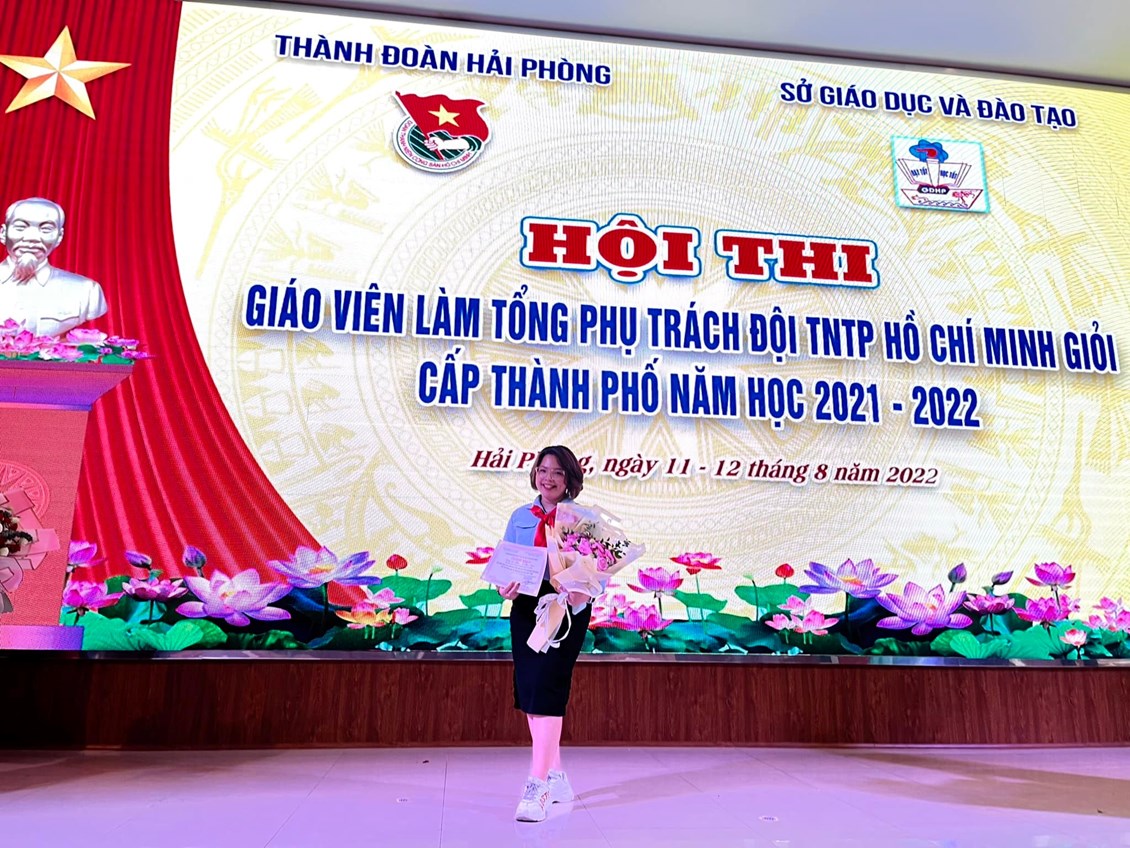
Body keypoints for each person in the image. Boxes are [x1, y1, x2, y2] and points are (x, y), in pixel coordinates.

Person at [497, 445, 591, 823]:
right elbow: (506, 563)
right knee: (531, 690)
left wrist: (583, 591)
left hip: (565, 608)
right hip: (526, 608)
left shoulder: (582, 520)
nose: (548, 478)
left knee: (548, 689)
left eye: (557, 472)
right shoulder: (520, 516)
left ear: (569, 479)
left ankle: (537, 786)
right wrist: (505, 587)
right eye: (543, 470)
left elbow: (596, 570)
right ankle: (557, 776)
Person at [0, 197, 107, 337]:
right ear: (3, 233)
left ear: (59, 237)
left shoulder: (87, 291)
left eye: (46, 229)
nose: (32, 237)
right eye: (20, 227)